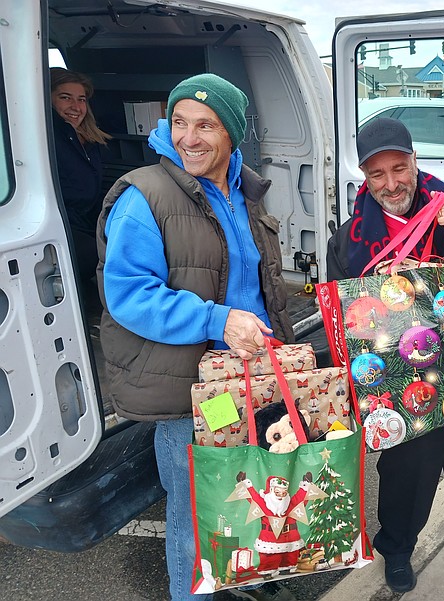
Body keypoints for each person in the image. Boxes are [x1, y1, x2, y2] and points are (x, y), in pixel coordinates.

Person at [96, 73, 293, 601]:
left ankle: (239, 576)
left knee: (242, 492)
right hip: (194, 390)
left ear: (231, 134)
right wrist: (216, 320)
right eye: (179, 122)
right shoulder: (146, 196)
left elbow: (258, 280)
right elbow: (130, 296)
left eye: (206, 125)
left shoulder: (241, 189)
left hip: (249, 376)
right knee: (194, 518)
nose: (190, 138)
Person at [327, 118, 444, 592]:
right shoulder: (349, 240)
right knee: (407, 467)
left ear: (414, 161)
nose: (391, 184)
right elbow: (343, 321)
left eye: (399, 167)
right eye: (377, 175)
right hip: (399, 376)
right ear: (365, 179)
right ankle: (398, 548)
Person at [50, 67, 111, 300]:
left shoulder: (91, 141)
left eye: (81, 99)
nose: (76, 107)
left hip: (88, 220)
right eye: (65, 98)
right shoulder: (51, 137)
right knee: (94, 254)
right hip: (63, 224)